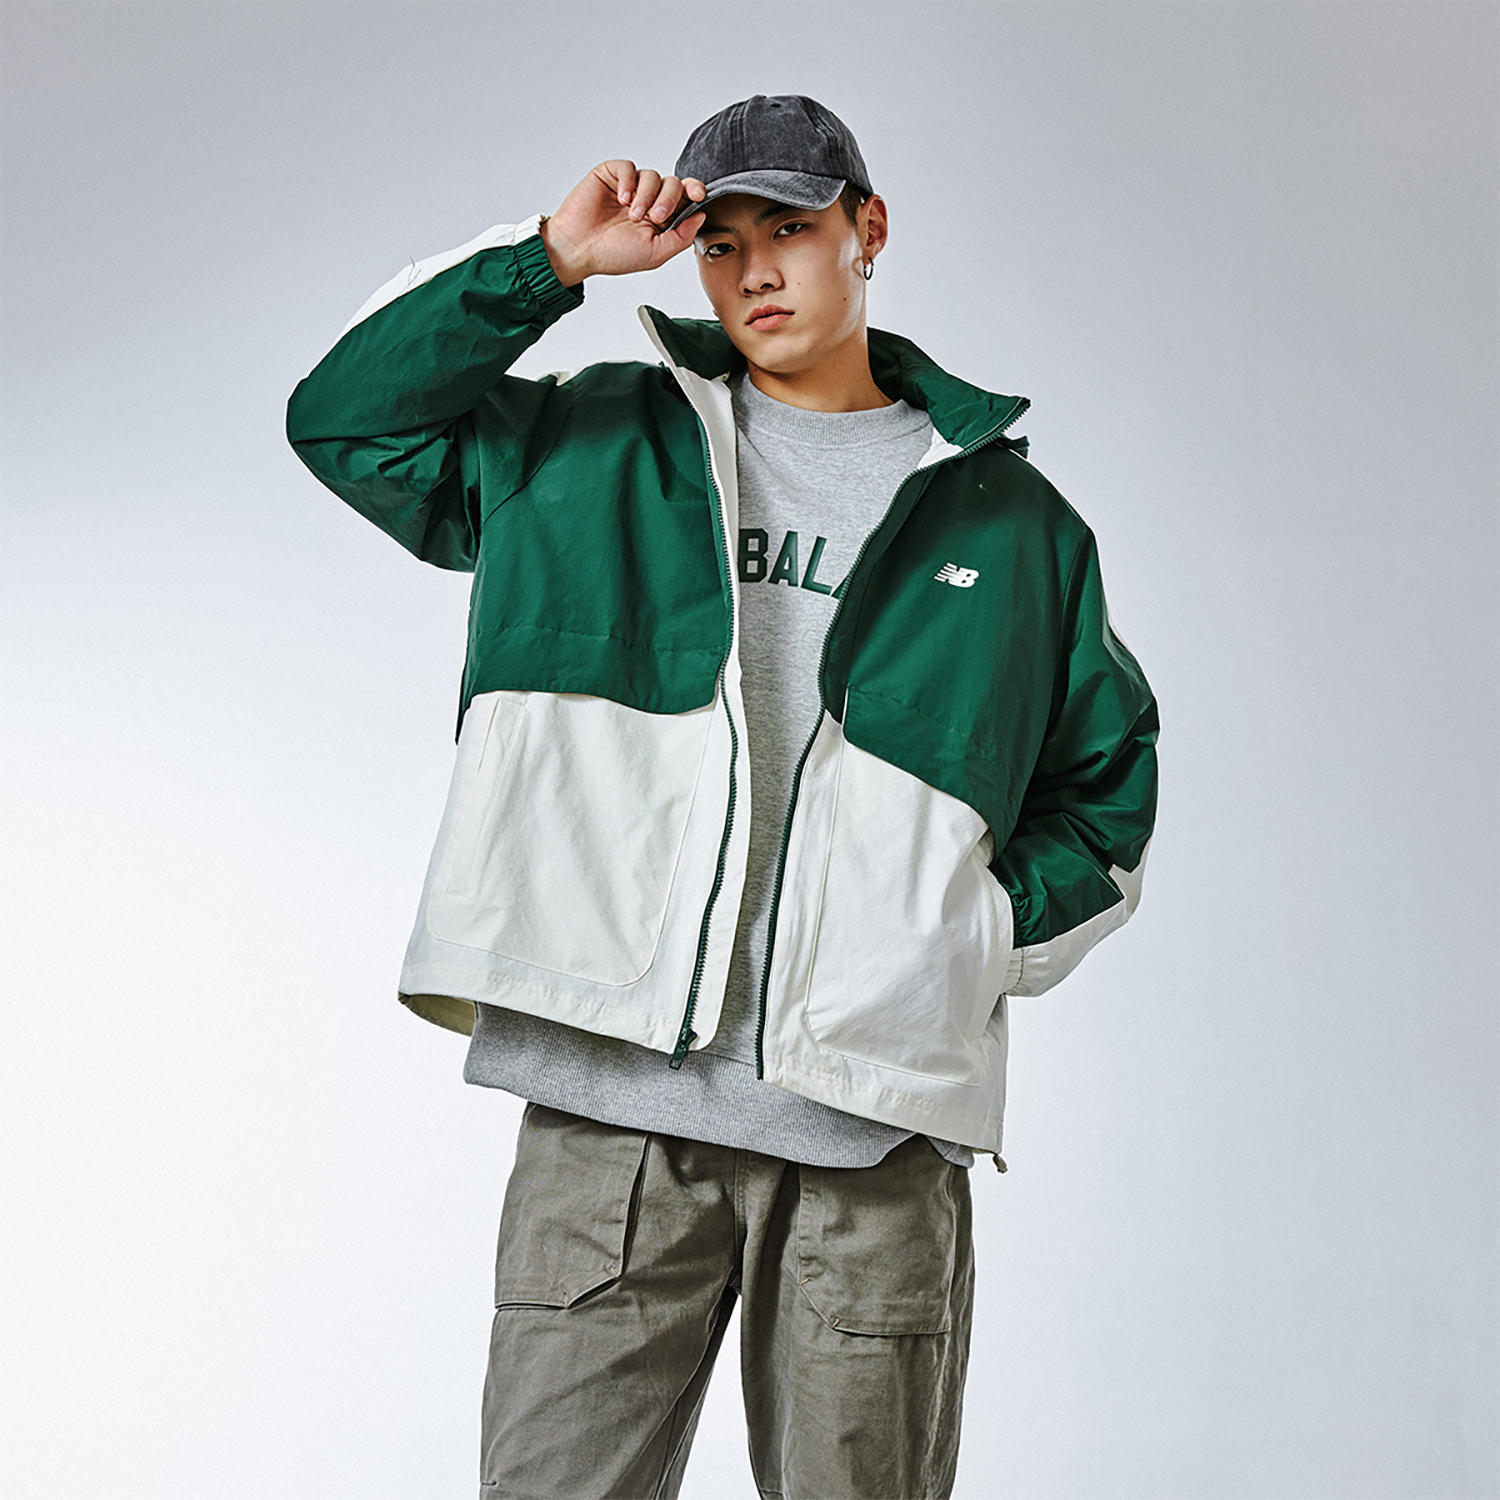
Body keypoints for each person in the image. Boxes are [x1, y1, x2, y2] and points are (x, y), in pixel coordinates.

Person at [287, 94, 1158, 1500]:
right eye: (722, 242)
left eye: (790, 230)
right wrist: (550, 263)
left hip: (869, 1142)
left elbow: (1106, 794)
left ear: (867, 230)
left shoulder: (1013, 526)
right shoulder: (584, 443)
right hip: (612, 1118)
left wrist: (962, 937)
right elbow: (343, 423)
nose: (754, 270)